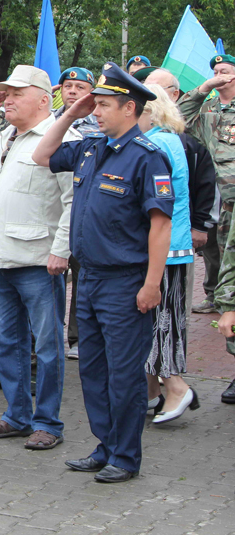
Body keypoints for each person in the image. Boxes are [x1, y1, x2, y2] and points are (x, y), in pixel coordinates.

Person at [33, 61, 172, 483]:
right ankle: (105, 445)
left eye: (105, 105)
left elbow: (160, 225)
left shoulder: (149, 157)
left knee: (124, 374)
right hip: (89, 278)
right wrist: (69, 114)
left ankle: (126, 456)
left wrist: (152, 284)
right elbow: (43, 155)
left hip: (126, 282)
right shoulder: (91, 148)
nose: (96, 110)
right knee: (92, 370)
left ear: (129, 108)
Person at [0, 65, 77, 450]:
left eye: (16, 94)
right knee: (7, 343)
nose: (7, 100)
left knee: (46, 347)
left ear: (44, 100)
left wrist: (61, 249)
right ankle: (16, 415)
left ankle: (48, 422)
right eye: (5, 93)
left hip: (39, 263)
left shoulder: (62, 139)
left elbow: (72, 201)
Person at [135, 84, 197, 423]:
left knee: (162, 323)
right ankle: (152, 391)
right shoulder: (167, 140)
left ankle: (175, 387)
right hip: (170, 244)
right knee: (156, 321)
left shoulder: (157, 143)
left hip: (167, 248)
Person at [145, 68, 215, 318]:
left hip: (170, 244)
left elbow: (202, 184)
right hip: (162, 242)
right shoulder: (156, 138)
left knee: (166, 318)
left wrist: (199, 225)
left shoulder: (165, 142)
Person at [177, 55, 235, 323]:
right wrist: (203, 88)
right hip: (222, 201)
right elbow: (178, 117)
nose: (219, 73)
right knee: (224, 254)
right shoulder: (209, 110)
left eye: (225, 70)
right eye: (215, 70)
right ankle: (224, 304)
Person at [51, 67, 102, 360]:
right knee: (51, 278)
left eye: (79, 87)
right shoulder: (49, 123)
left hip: (85, 213)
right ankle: (51, 335)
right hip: (53, 212)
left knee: (83, 280)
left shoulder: (99, 124)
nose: (72, 91)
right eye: (67, 86)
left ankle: (79, 338)